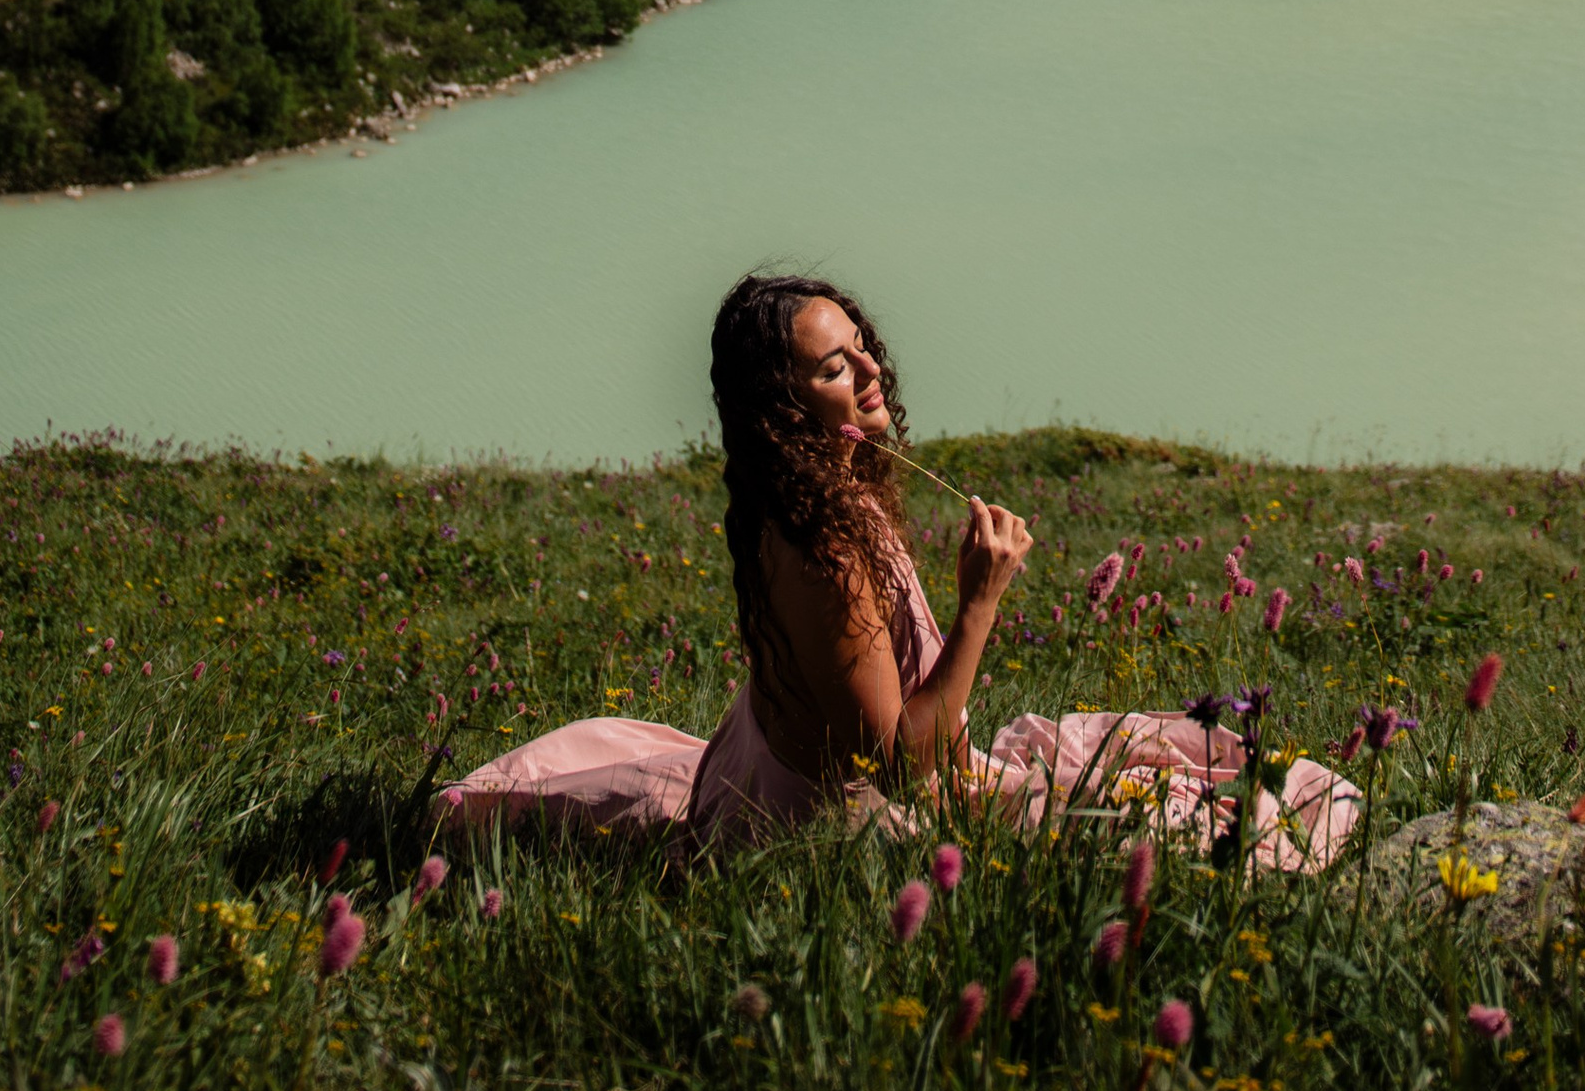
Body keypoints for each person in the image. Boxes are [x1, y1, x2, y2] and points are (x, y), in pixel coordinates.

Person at [450, 270, 1358, 866]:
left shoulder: (819, 503)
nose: (870, 372)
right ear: (784, 404)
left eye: (863, 350)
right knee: (1234, 825)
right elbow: (890, 766)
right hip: (837, 831)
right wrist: (979, 605)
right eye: (836, 368)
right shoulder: (823, 547)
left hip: (778, 773)